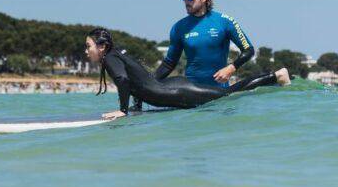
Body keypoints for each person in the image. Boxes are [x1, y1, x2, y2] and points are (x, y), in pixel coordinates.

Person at [85, 28, 289, 119]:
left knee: (230, 94)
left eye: (89, 46)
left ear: (101, 46)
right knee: (226, 96)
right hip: (174, 87)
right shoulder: (115, 54)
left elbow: (123, 79)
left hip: (177, 92)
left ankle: (276, 75)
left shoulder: (110, 57)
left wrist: (123, 111)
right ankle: (276, 78)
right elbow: (140, 80)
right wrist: (136, 105)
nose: (87, 52)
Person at [156, 0, 262, 87]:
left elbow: (248, 50)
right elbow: (169, 64)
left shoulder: (224, 21)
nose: (187, 1)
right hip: (191, 92)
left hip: (219, 94)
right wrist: (146, 85)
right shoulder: (179, 27)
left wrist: (231, 68)